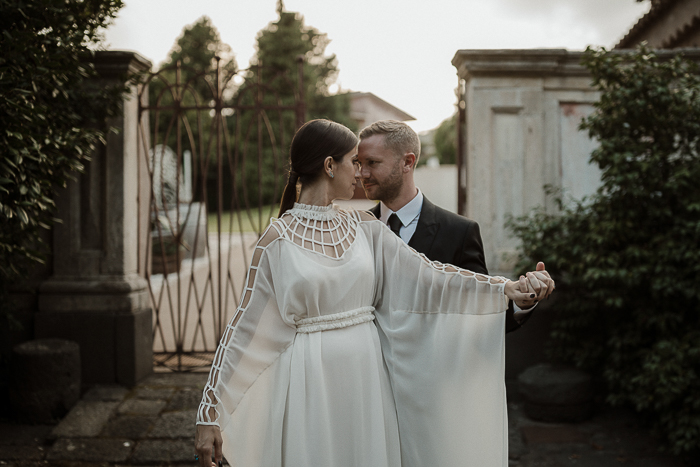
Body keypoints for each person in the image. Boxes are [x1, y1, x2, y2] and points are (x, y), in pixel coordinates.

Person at [194, 119, 554, 467]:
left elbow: (432, 276)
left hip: (367, 379)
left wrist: (508, 289)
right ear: (330, 166)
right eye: (355, 162)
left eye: (368, 163)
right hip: (310, 382)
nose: (360, 173)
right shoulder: (275, 241)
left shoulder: (364, 227)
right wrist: (210, 413)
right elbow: (244, 330)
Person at [357, 119, 537, 331]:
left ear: (407, 162)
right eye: (359, 164)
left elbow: (482, 310)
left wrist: (521, 302)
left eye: (372, 163)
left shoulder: (459, 232)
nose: (362, 174)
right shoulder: (356, 229)